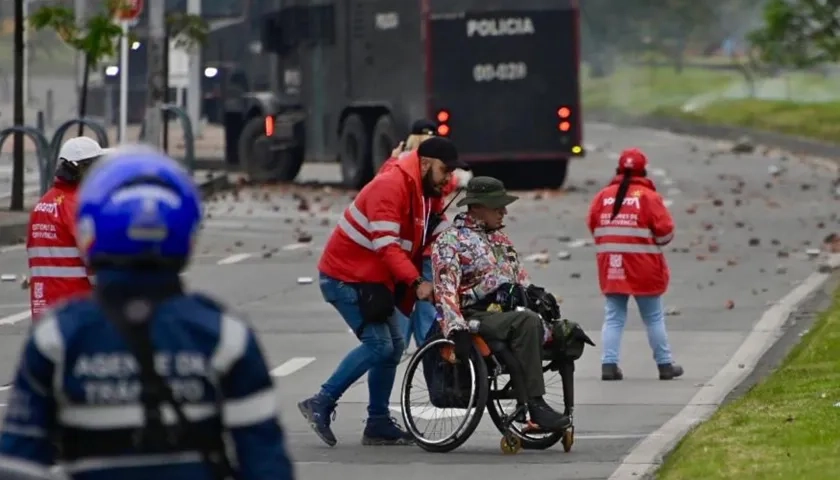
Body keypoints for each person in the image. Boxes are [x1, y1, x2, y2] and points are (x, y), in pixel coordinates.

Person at [0, 145, 295, 480]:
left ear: (91, 228)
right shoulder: (225, 336)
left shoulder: (56, 342)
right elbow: (267, 464)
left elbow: (17, 466)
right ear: (187, 231)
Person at [299, 136, 468, 447]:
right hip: (344, 278)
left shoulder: (421, 193)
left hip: (371, 281)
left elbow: (441, 232)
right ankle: (321, 401)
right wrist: (418, 284)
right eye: (445, 171)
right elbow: (386, 246)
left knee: (394, 345)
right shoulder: (390, 186)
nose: (448, 179)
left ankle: (377, 422)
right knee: (379, 345)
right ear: (426, 163)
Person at [431, 176, 571, 431]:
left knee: (565, 331)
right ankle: (536, 404)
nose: (504, 211)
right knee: (527, 322)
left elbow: (520, 279)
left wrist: (537, 295)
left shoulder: (501, 240)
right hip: (473, 314)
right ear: (476, 207)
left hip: (505, 314)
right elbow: (445, 289)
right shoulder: (451, 241)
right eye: (497, 207)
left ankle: (555, 405)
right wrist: (455, 327)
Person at [586, 147, 684, 381]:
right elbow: (665, 232)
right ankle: (664, 365)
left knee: (614, 316)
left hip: (611, 266)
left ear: (618, 169)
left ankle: (608, 365)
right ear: (644, 170)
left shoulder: (603, 196)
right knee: (653, 317)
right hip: (644, 267)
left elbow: (593, 225)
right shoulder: (648, 197)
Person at [381, 119, 472, 348]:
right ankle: (428, 347)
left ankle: (401, 344)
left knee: (404, 309)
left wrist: (392, 158)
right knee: (426, 313)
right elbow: (445, 189)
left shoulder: (399, 165)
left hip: (408, 253)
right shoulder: (421, 171)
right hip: (426, 251)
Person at [26, 136, 109, 321]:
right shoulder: (78, 205)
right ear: (79, 169)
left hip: (44, 311)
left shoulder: (42, 204)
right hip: (78, 312)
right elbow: (97, 258)